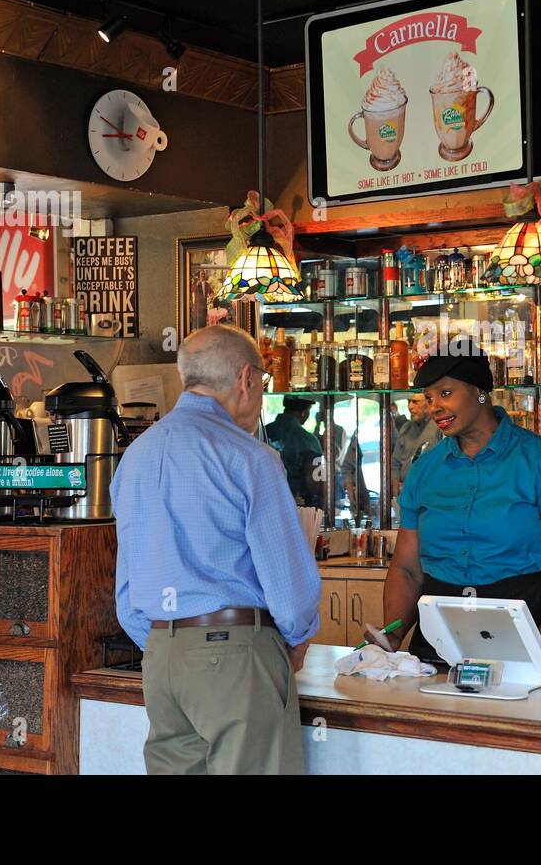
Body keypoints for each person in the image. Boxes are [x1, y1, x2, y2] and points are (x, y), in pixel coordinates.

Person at [111, 324, 321, 775]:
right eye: (263, 384)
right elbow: (287, 581)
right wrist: (298, 636)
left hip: (161, 658)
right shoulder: (250, 457)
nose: (261, 397)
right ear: (246, 379)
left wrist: (169, 645)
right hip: (235, 654)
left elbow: (127, 587)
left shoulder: (136, 456)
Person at [376, 337, 541, 666]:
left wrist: (540, 651)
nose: (434, 406)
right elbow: (408, 571)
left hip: (531, 628)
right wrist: (391, 635)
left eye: (446, 393)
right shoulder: (425, 470)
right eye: (429, 396)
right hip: (441, 643)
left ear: (480, 391)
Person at [265, 396, 324, 507]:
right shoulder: (308, 440)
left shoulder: (264, 432)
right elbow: (315, 482)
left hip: (265, 502)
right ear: (304, 412)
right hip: (297, 506)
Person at [392, 391, 441, 496]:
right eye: (408, 402)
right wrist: (396, 492)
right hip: (405, 493)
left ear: (429, 403)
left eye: (415, 402)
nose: (410, 407)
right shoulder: (406, 428)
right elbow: (395, 463)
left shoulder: (440, 428)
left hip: (431, 493)